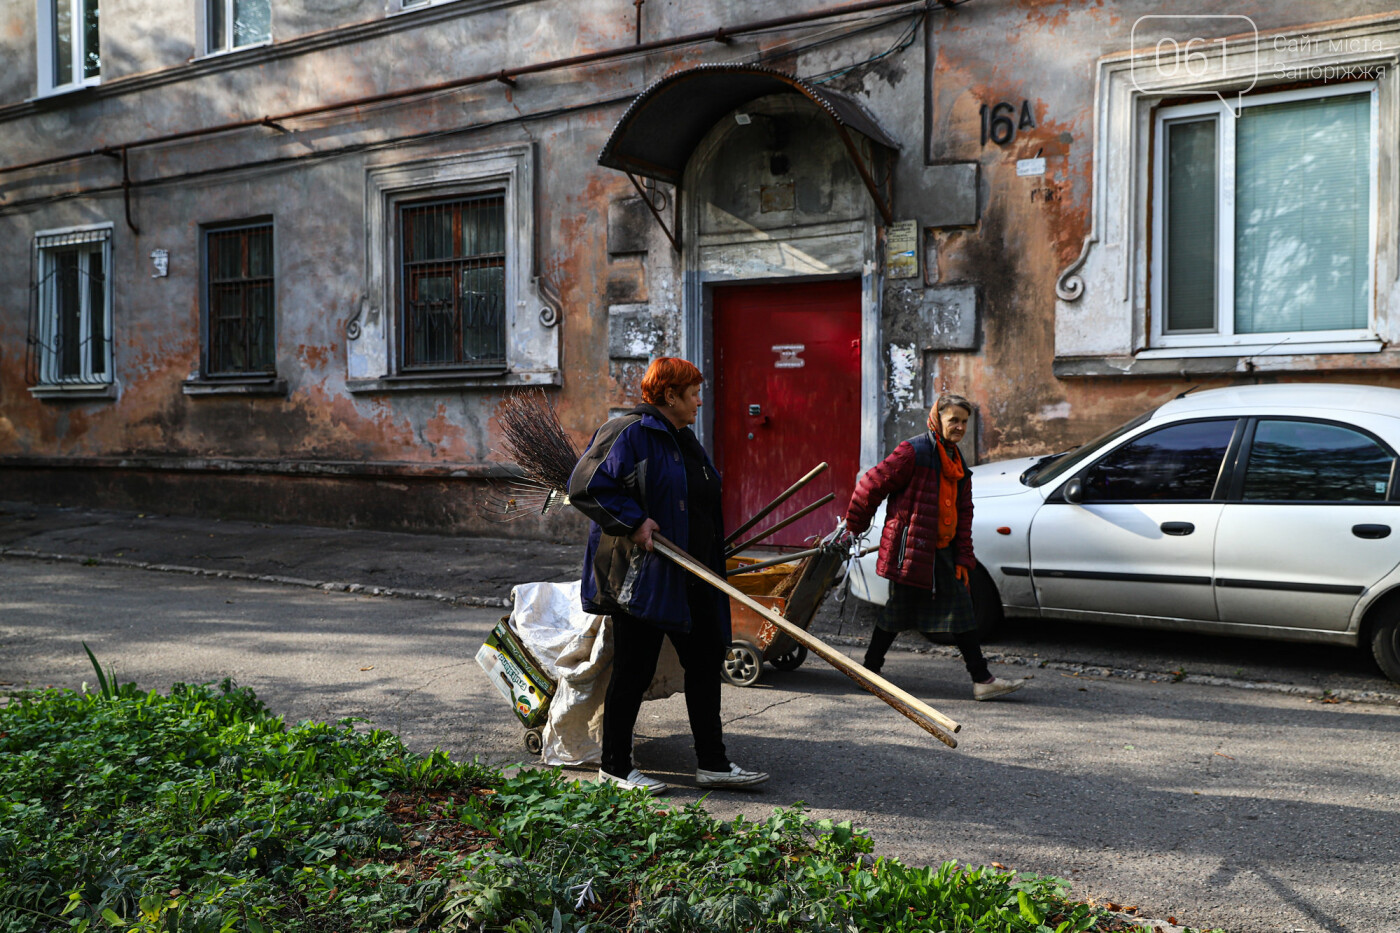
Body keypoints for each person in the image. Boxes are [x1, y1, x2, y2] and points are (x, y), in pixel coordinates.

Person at [568, 357, 769, 795]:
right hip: (645, 576)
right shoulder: (628, 432)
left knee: (703, 662)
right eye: (693, 392)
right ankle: (615, 768)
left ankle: (713, 763)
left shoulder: (685, 439)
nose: (700, 400)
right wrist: (635, 522)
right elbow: (585, 485)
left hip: (694, 572)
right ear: (670, 395)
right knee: (634, 669)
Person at [845, 392, 1028, 700]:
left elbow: (964, 512)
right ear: (937, 419)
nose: (959, 427)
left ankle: (982, 680)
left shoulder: (955, 458)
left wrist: (963, 557)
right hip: (912, 550)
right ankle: (869, 672)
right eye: (953, 420)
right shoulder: (913, 452)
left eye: (964, 421)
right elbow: (869, 485)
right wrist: (855, 526)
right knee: (897, 612)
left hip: (942, 550)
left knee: (962, 609)